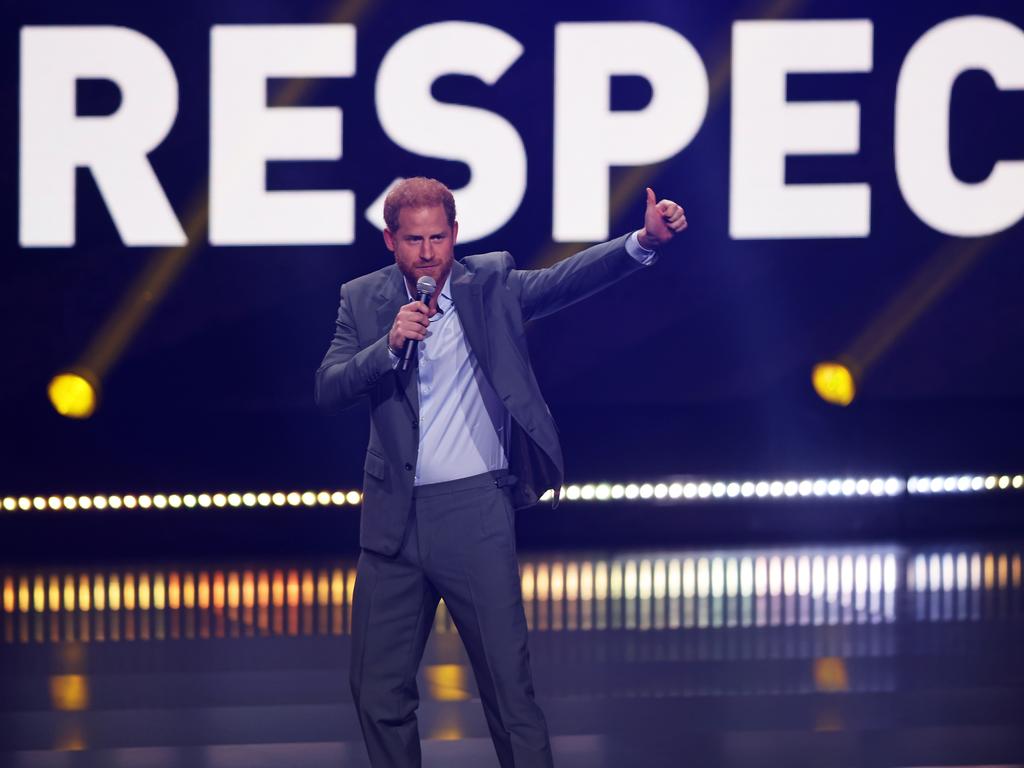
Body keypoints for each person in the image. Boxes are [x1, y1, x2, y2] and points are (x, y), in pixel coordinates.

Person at [315, 177, 686, 767]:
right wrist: (386, 346)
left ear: (455, 234)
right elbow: (328, 387)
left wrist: (642, 240)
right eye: (414, 240)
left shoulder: (489, 284)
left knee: (510, 696)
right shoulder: (361, 301)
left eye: (439, 236)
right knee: (377, 694)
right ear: (390, 240)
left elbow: (567, 279)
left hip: (475, 515)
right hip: (393, 526)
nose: (429, 252)